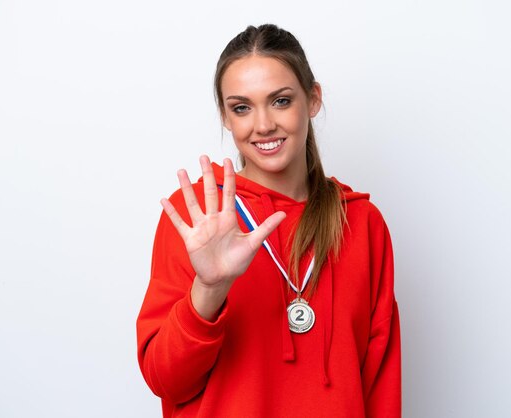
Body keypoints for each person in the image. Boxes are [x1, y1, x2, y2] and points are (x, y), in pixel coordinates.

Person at [137, 24, 401, 418]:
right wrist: (210, 288)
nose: (262, 125)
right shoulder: (196, 216)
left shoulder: (362, 222)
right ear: (226, 117)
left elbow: (381, 381)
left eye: (280, 101)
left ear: (313, 100)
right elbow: (165, 379)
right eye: (241, 107)